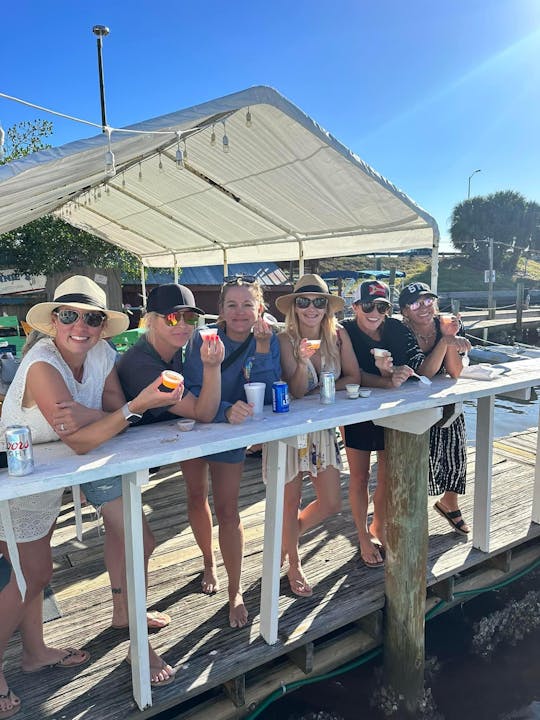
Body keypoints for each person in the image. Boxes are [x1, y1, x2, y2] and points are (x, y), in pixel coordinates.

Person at [0, 276, 184, 716]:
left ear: (104, 325)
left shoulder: (102, 353)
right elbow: (96, 430)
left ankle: (50, 648)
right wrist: (132, 408)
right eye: (69, 315)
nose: (80, 325)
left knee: (138, 538)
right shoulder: (42, 365)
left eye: (92, 318)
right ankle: (19, 657)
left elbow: (106, 414)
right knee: (29, 576)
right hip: (21, 468)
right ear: (53, 321)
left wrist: (100, 414)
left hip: (77, 457)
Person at [182, 275, 281, 628]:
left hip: (233, 434)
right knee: (196, 497)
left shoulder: (269, 338)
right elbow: (191, 387)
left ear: (259, 309)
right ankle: (208, 562)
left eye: (247, 305)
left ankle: (235, 591)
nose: (240, 312)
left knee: (228, 510)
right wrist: (225, 407)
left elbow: (272, 396)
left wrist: (266, 349)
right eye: (232, 305)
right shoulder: (202, 339)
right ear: (220, 310)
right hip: (195, 427)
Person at [272, 274, 361, 596]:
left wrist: (323, 388)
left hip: (323, 428)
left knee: (331, 502)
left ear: (327, 308)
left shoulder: (338, 336)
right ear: (294, 307)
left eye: (319, 302)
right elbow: (294, 391)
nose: (311, 308)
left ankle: (287, 537)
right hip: (291, 429)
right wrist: (300, 363)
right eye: (303, 301)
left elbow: (353, 375)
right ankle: (293, 564)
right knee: (289, 500)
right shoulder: (283, 340)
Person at [340, 280, 420, 567]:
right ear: (355, 307)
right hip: (356, 411)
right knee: (359, 476)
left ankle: (379, 525)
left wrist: (399, 371)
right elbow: (348, 374)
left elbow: (414, 361)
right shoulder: (345, 331)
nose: (374, 312)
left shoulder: (396, 328)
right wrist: (385, 381)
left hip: (390, 411)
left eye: (382, 306)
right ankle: (362, 535)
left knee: (386, 472)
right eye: (368, 306)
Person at [399, 282, 472, 535]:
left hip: (445, 398)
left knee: (455, 452)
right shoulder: (401, 330)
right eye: (416, 303)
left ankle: (449, 502)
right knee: (419, 461)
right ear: (405, 310)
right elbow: (424, 371)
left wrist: (448, 334)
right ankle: (411, 516)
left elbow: (454, 372)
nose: (424, 307)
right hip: (410, 402)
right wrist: (448, 339)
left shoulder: (445, 323)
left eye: (428, 300)